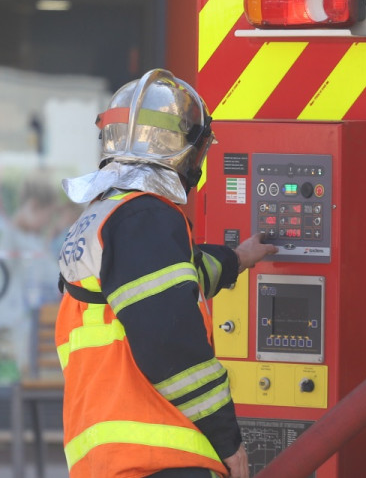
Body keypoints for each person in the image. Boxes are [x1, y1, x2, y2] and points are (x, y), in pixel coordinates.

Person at [55, 69, 277, 478]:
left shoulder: (104, 217)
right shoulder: (146, 218)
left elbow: (170, 283)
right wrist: (227, 442)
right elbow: (169, 338)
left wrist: (237, 258)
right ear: (187, 150)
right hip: (159, 455)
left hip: (108, 456)